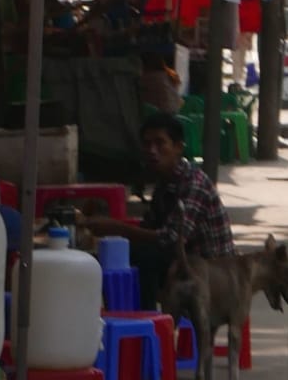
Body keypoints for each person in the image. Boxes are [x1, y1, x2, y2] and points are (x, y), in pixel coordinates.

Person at [88, 109, 232, 304]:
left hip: (212, 271)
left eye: (160, 143)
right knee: (112, 255)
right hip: (185, 260)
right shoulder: (164, 182)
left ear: (178, 147)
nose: (152, 150)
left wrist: (116, 227)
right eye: (147, 144)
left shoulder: (193, 183)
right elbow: (149, 227)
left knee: (144, 258)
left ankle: (146, 317)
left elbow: (172, 239)